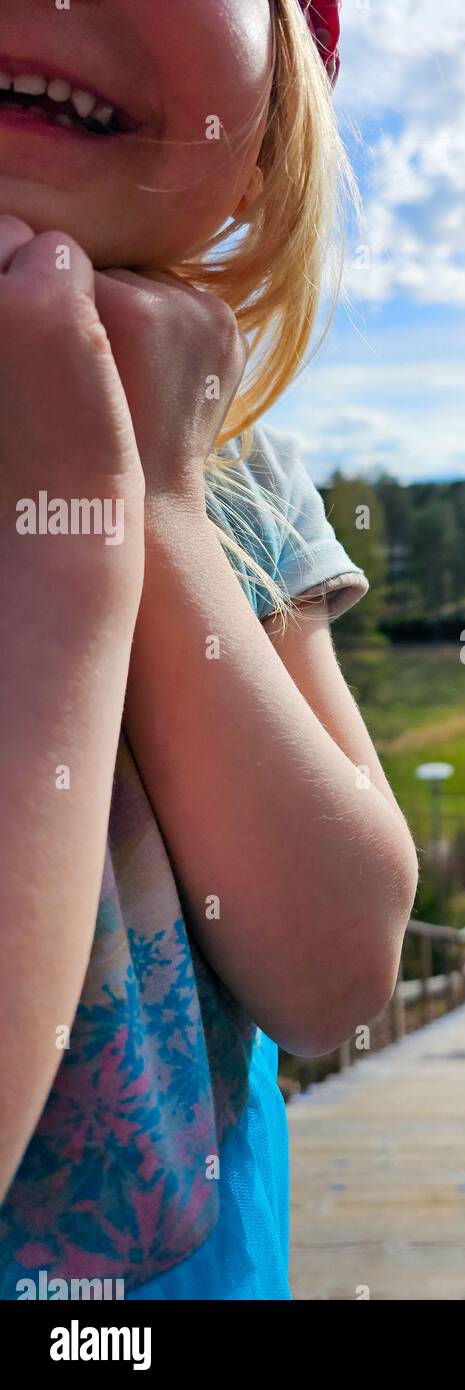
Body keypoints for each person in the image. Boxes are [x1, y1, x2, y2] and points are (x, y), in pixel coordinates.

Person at [0, 1, 418, 1300]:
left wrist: (168, 513)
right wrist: (70, 553)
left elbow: (339, 972)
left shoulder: (236, 469)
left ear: (271, 136)